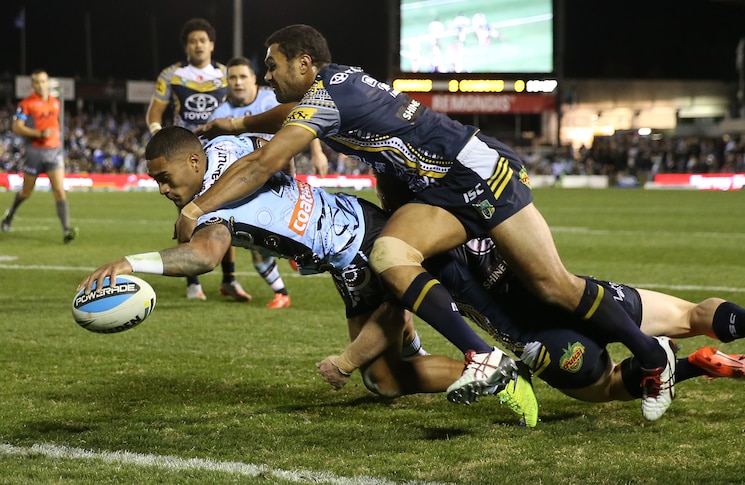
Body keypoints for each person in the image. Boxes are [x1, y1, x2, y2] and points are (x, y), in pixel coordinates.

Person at [183, 24, 676, 421]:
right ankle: (480, 356)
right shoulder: (332, 85)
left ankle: (651, 356)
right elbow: (286, 113)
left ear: (304, 63)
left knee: (553, 286)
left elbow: (261, 164)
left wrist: (198, 207)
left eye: (273, 66)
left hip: (475, 172)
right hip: (443, 187)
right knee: (391, 252)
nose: (268, 77)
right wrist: (236, 123)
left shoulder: (326, 99)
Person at [78, 126, 538, 426]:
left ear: (194, 164)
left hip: (358, 247)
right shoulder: (227, 148)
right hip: (348, 223)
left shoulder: (209, 213)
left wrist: (129, 263)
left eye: (165, 177)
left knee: (381, 377)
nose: (161, 189)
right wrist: (294, 198)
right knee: (385, 371)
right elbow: (273, 148)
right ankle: (455, 351)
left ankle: (499, 368)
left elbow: (204, 257)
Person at [423, 237, 745, 411]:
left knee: (601, 387)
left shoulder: (418, 241)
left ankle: (695, 365)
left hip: (541, 336)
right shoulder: (482, 200)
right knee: (690, 314)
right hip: (582, 296)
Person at [207, 56, 330, 309]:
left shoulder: (271, 99)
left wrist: (317, 152)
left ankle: (298, 254)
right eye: (232, 78)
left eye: (243, 77)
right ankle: (282, 290)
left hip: (282, 176)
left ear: (254, 79)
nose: (238, 82)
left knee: (280, 234)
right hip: (249, 183)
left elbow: (304, 117)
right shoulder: (221, 113)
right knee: (256, 241)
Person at [145, 17, 249, 302]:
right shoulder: (172, 75)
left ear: (212, 45)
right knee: (187, 213)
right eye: (193, 41)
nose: (198, 45)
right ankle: (192, 283)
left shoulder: (226, 75)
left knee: (225, 211)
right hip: (184, 159)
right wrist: (163, 139)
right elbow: (154, 114)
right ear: (186, 47)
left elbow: (243, 106)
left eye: (203, 40)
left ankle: (229, 279)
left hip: (220, 151)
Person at [2, 69, 78, 244]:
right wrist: (38, 133)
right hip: (34, 153)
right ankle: (10, 215)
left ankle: (66, 229)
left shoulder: (55, 102)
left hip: (54, 152)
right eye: (37, 82)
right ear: (33, 85)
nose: (41, 84)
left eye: (44, 81)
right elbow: (16, 127)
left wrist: (56, 140)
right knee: (27, 192)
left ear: (48, 82)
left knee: (59, 190)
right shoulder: (27, 103)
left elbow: (55, 125)